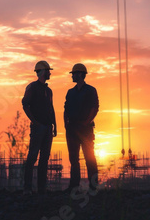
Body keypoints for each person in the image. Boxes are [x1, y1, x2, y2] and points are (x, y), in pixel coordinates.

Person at [22, 60, 57, 194]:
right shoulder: (32, 87)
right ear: (42, 72)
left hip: (48, 127)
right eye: (48, 71)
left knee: (44, 158)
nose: (49, 73)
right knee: (32, 157)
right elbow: (25, 105)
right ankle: (28, 188)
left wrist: (55, 125)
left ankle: (41, 188)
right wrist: (35, 122)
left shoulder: (48, 91)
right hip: (38, 128)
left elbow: (51, 108)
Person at [64, 63, 99, 192]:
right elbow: (66, 109)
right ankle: (74, 186)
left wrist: (86, 122)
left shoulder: (90, 90)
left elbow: (94, 108)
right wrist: (66, 125)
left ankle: (93, 186)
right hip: (72, 129)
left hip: (85, 130)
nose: (72, 76)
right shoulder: (70, 92)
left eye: (73, 74)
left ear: (80, 74)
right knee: (73, 158)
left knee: (89, 157)